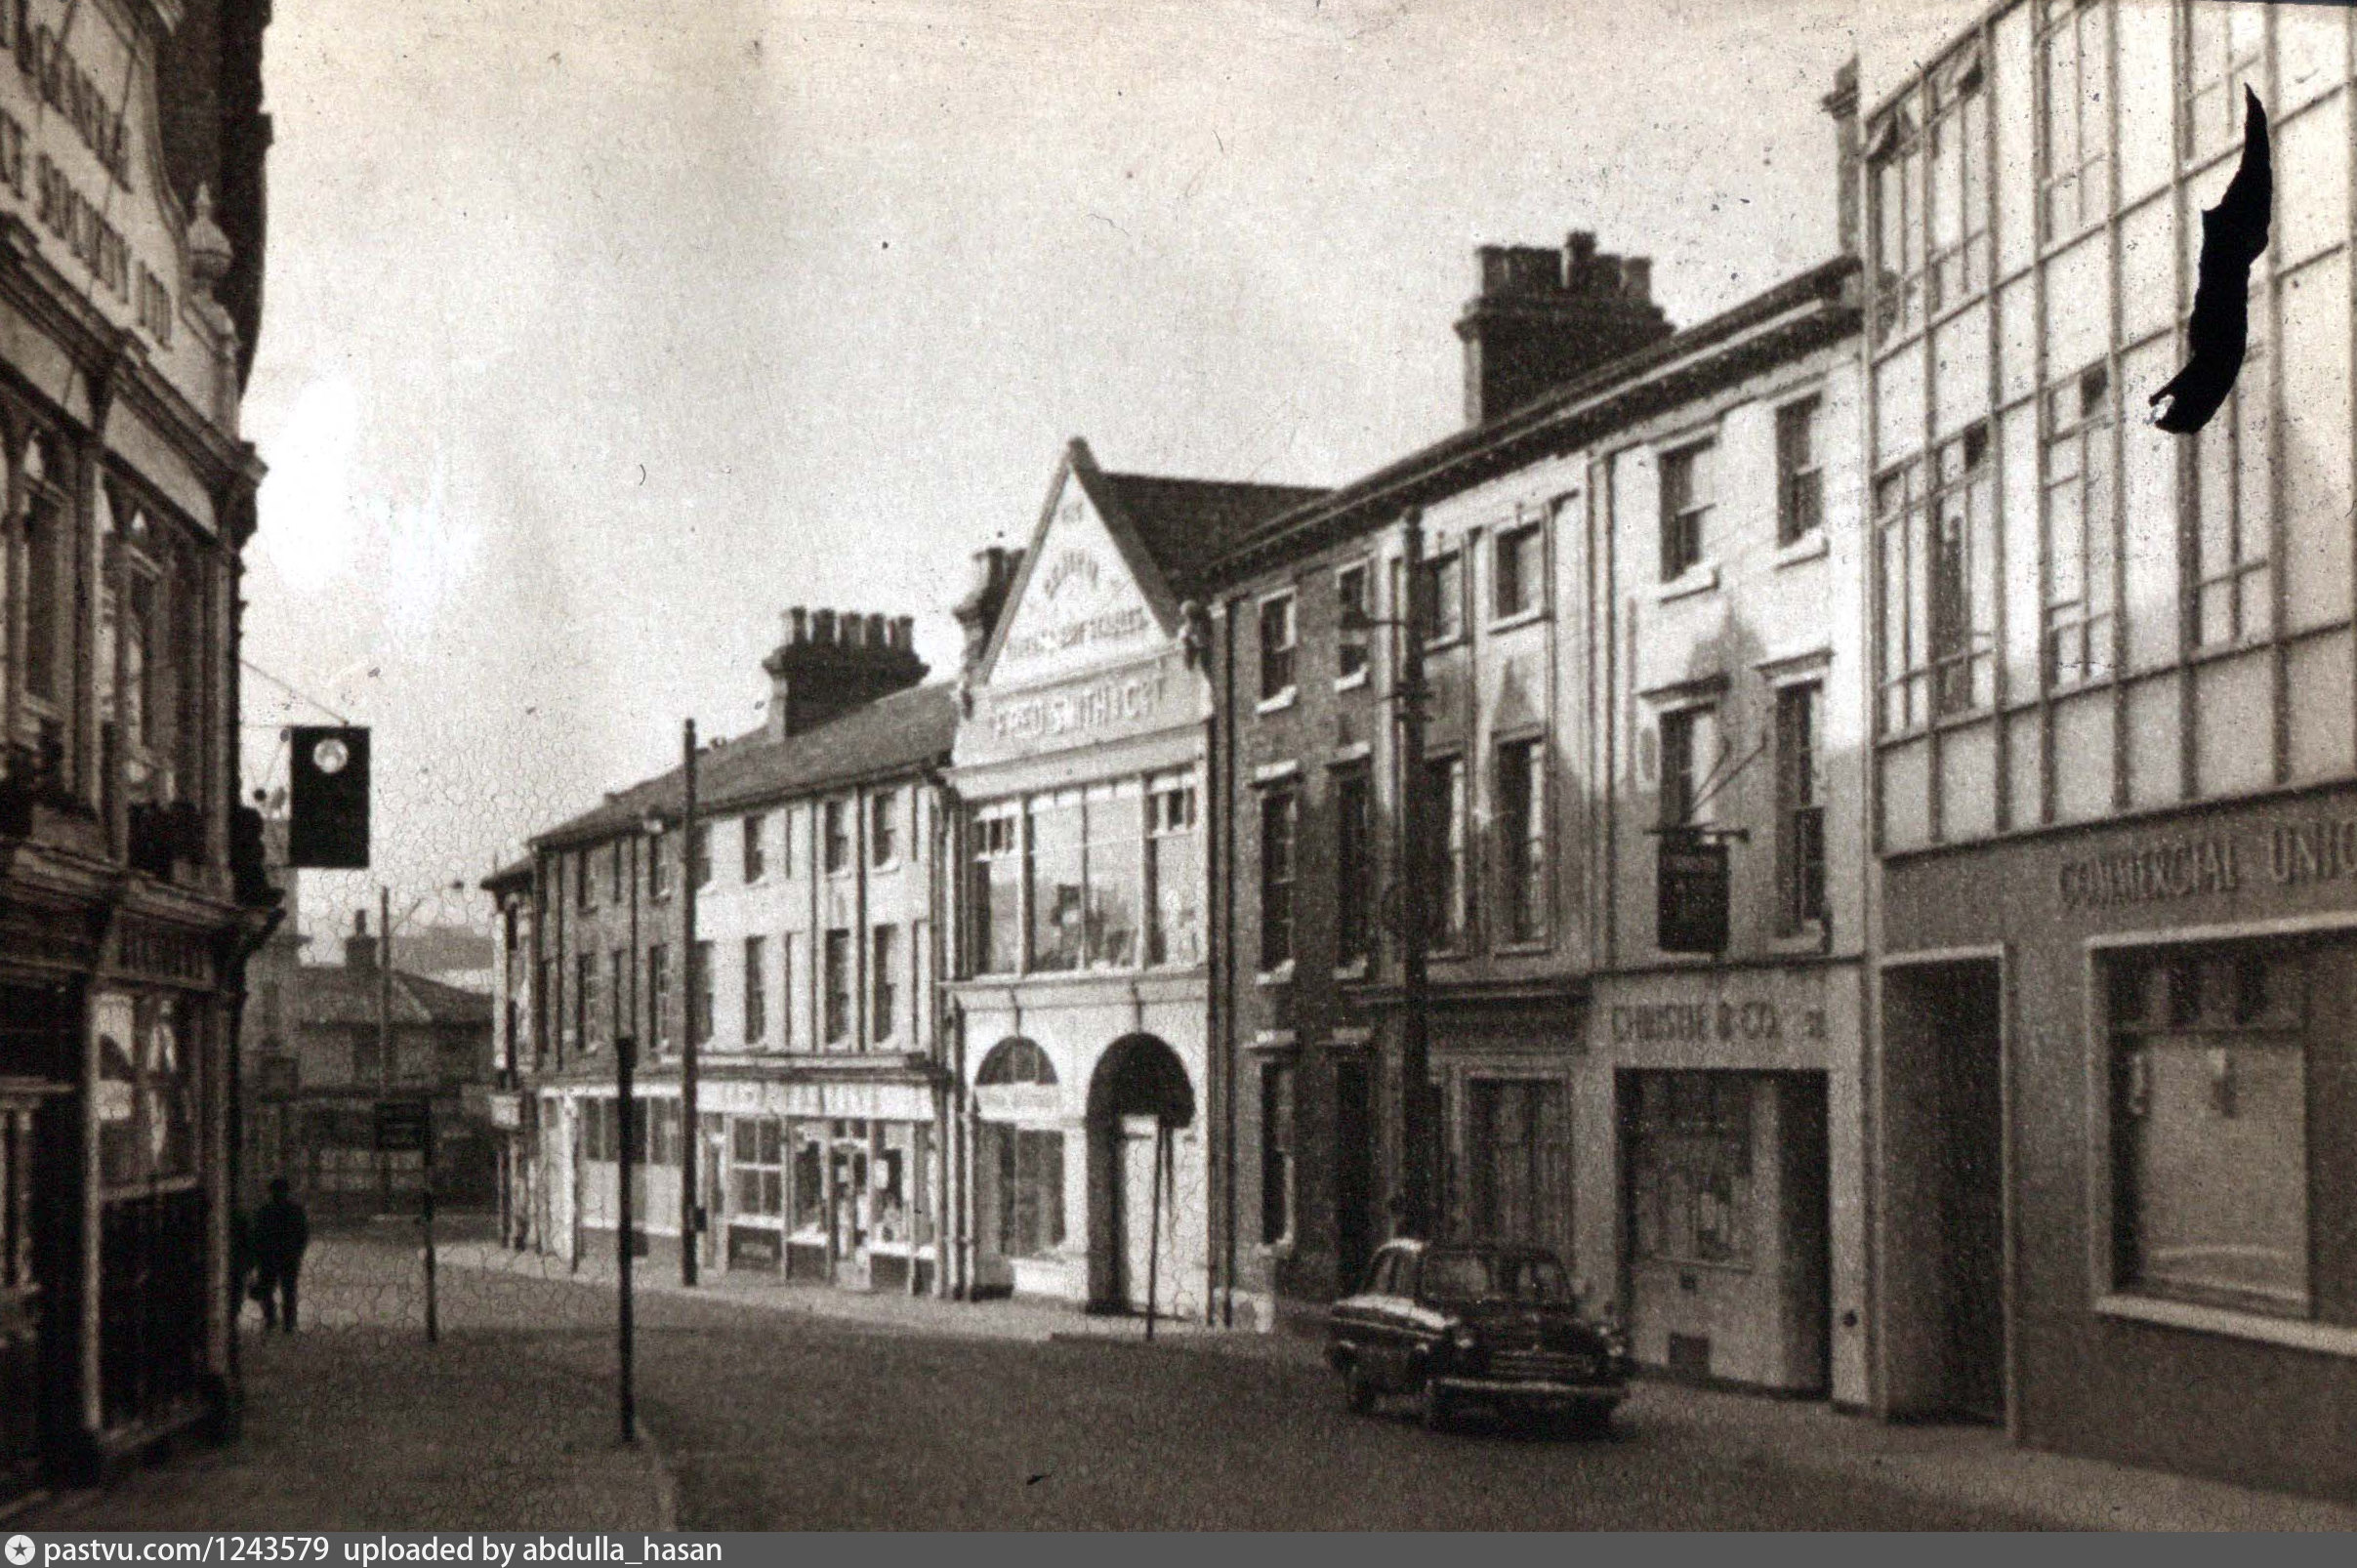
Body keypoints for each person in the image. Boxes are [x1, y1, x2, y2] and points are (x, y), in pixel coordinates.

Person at [250, 1177, 310, 1333]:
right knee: (288, 1290)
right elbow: (303, 1234)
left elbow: (256, 1235)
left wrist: (257, 1257)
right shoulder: (295, 1210)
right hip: (288, 1257)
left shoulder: (264, 1211)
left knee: (267, 1290)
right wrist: (297, 1252)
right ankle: (288, 1322)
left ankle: (271, 1319)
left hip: (268, 1257)